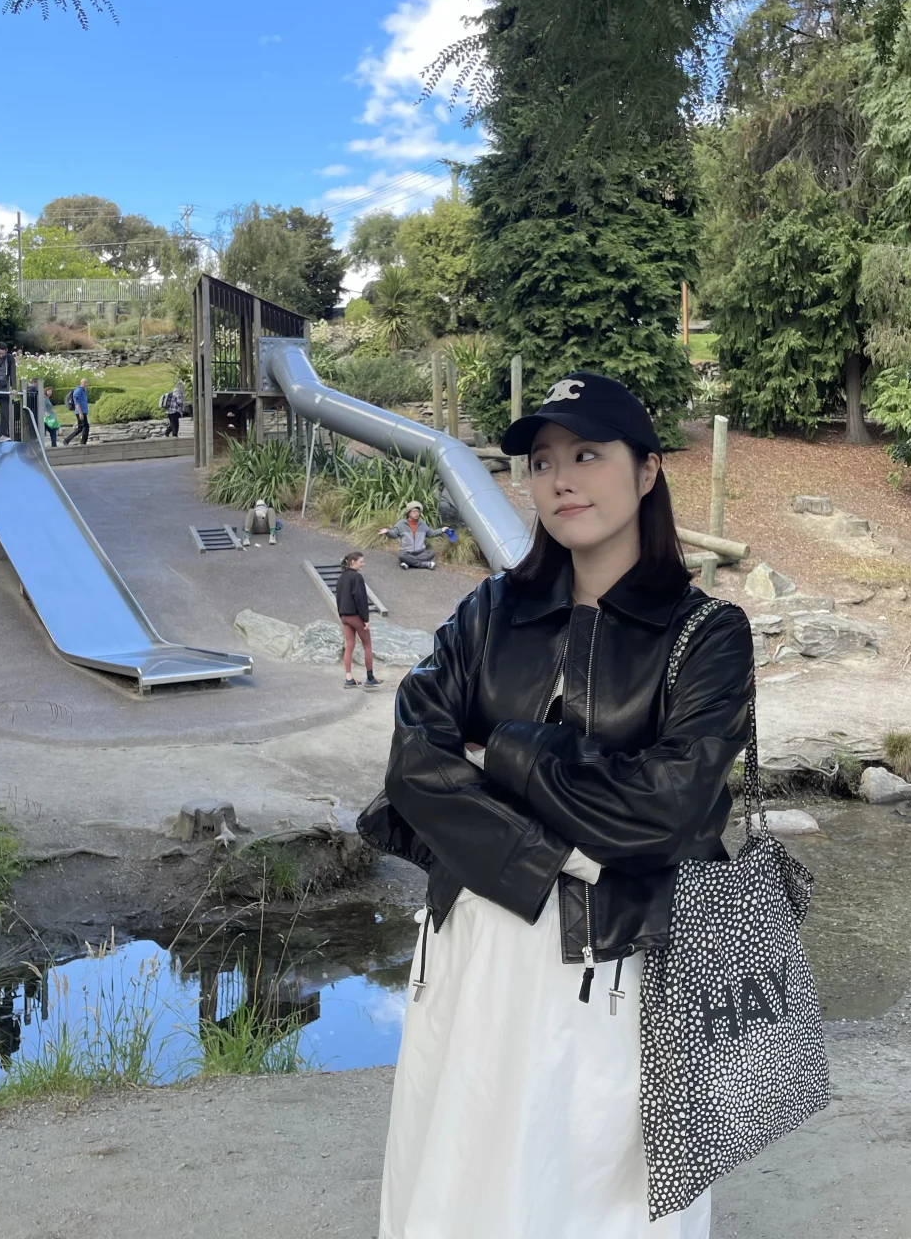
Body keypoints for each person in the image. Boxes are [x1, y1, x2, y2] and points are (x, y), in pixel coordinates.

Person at [357, 370, 754, 1239]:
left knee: (599, 1189)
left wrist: (503, 752)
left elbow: (671, 808)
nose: (560, 480)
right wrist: (564, 846)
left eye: (587, 455)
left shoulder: (707, 635)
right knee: (463, 1178)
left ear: (647, 471)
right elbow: (414, 764)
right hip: (474, 947)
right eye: (541, 462)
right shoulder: (490, 612)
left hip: (618, 967)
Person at [336, 551, 382, 689]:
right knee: (367, 645)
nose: (363, 564)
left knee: (349, 645)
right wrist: (365, 619)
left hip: (344, 616)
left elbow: (338, 598)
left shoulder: (341, 578)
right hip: (355, 616)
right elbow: (360, 599)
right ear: (353, 562)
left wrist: (341, 615)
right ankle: (370, 678)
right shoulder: (357, 577)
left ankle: (349, 678)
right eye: (361, 562)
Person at [379, 501, 446, 570]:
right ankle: (425, 564)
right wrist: (387, 532)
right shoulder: (401, 524)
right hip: (407, 552)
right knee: (402, 555)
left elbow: (431, 533)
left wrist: (441, 530)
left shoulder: (422, 524)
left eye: (418, 512)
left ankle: (408, 562)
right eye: (414, 511)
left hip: (420, 552)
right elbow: (394, 534)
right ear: (408, 512)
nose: (417, 513)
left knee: (431, 553)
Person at [63, 377, 90, 446]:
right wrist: (80, 413)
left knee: (80, 428)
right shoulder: (78, 390)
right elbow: (76, 402)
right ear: (82, 383)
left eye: (87, 383)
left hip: (83, 411)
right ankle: (83, 442)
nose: (87, 384)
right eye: (86, 383)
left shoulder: (83, 390)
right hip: (80, 412)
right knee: (86, 427)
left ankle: (67, 440)